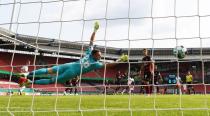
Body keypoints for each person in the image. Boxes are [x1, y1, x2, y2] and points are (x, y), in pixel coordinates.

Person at [18, 22, 128, 85]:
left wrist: (95, 30)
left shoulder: (89, 53)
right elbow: (109, 65)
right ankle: (30, 82)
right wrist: (119, 60)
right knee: (52, 80)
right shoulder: (95, 63)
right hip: (71, 73)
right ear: (95, 55)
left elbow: (91, 41)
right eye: (99, 55)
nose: (100, 56)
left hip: (69, 65)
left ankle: (28, 75)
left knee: (49, 70)